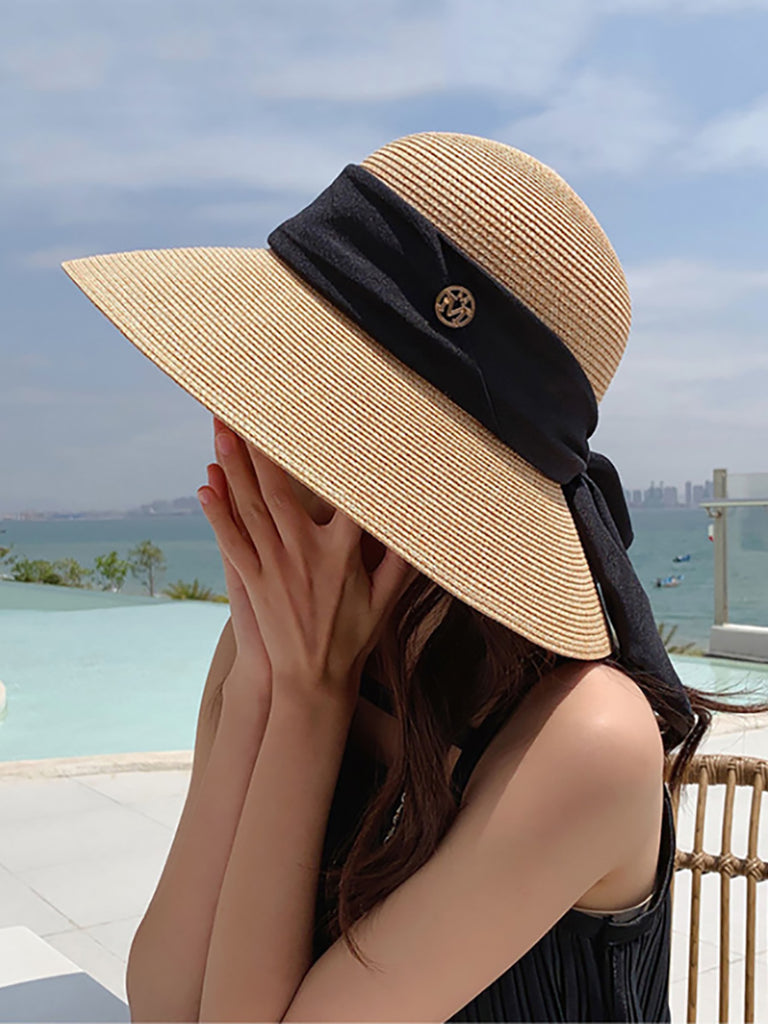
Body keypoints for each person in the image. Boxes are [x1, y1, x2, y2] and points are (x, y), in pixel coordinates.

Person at [61, 131, 768, 1023]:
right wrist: (271, 691)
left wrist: (308, 704)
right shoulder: (279, 644)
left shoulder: (581, 738)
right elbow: (164, 1004)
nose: (238, 435)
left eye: (283, 402)